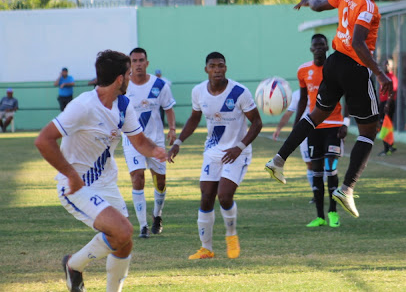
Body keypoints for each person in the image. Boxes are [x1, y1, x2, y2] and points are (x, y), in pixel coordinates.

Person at [264, 0, 393, 219]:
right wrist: (380, 74)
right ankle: (346, 188)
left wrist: (307, 0)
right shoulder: (369, 7)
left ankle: (278, 160)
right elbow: (359, 43)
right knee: (369, 131)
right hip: (355, 69)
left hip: (333, 64)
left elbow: (320, 6)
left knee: (315, 115)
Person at [34, 50, 167, 292]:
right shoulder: (83, 106)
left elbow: (139, 141)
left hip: (107, 184)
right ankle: (74, 266)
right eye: (128, 73)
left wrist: (156, 151)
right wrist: (71, 175)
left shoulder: (124, 104)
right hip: (76, 186)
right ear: (119, 79)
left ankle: (74, 267)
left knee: (123, 242)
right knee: (124, 230)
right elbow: (43, 140)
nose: (131, 77)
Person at [167, 52, 262, 260]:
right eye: (213, 66)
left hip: (237, 151)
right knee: (206, 196)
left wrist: (240, 146)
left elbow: (257, 123)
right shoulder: (198, 91)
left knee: (224, 195)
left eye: (221, 65)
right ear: (206, 69)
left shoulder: (239, 92)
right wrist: (177, 142)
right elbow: (194, 118)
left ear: (226, 68)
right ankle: (206, 249)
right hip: (213, 151)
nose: (217, 69)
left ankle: (231, 235)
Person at [123, 48, 177, 238]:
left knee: (160, 181)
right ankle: (143, 226)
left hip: (155, 142)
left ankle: (157, 215)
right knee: (137, 178)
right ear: (130, 64)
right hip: (132, 140)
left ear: (147, 63)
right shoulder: (123, 85)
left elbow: (169, 108)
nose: (138, 64)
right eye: (134, 61)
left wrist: (171, 129)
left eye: (141, 60)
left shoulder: (160, 85)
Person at [295, 34, 348, 228]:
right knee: (316, 172)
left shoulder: (337, 68)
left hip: (334, 126)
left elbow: (347, 97)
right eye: (315, 45)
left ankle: (333, 213)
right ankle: (319, 216)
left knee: (331, 169)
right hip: (313, 128)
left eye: (321, 45)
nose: (318, 48)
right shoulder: (303, 71)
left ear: (327, 48)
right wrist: (296, 127)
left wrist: (346, 123)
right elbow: (303, 100)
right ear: (311, 49)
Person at [272, 88, 315, 202]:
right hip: (304, 133)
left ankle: (323, 190)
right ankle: (316, 193)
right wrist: (278, 129)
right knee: (309, 163)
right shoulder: (297, 94)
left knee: (322, 163)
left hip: (321, 131)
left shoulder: (322, 90)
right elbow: (288, 113)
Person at [377, 58, 398, 156]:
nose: (386, 66)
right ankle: (390, 146)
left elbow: (392, 92)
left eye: (388, 64)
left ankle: (387, 149)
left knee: (384, 125)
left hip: (388, 103)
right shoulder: (383, 77)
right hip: (383, 103)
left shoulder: (392, 78)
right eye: (385, 64)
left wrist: (387, 104)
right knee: (386, 125)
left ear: (392, 66)